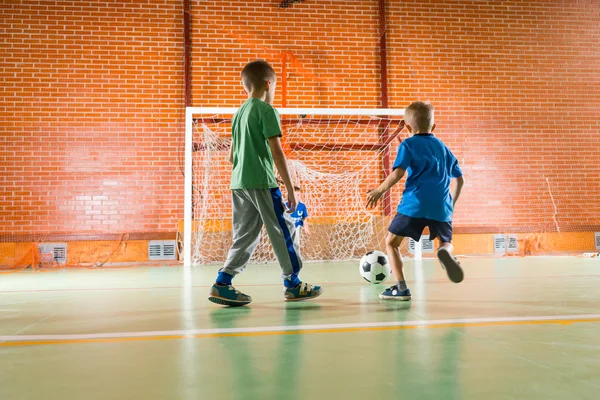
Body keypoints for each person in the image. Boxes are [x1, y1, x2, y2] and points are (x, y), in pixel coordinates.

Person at [208, 60, 323, 307]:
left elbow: (232, 156)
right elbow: (277, 151)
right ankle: (293, 284)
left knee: (245, 236)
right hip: (260, 181)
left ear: (245, 86)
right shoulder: (267, 110)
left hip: (238, 183)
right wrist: (291, 188)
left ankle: (223, 282)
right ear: (268, 84)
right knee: (286, 228)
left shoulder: (239, 113)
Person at [366, 101, 465, 301]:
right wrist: (450, 205)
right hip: (441, 207)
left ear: (408, 127)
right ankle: (445, 253)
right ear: (433, 127)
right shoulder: (443, 147)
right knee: (445, 242)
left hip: (415, 204)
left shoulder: (408, 144)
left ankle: (401, 288)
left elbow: (398, 173)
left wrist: (378, 190)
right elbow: (460, 180)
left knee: (392, 243)